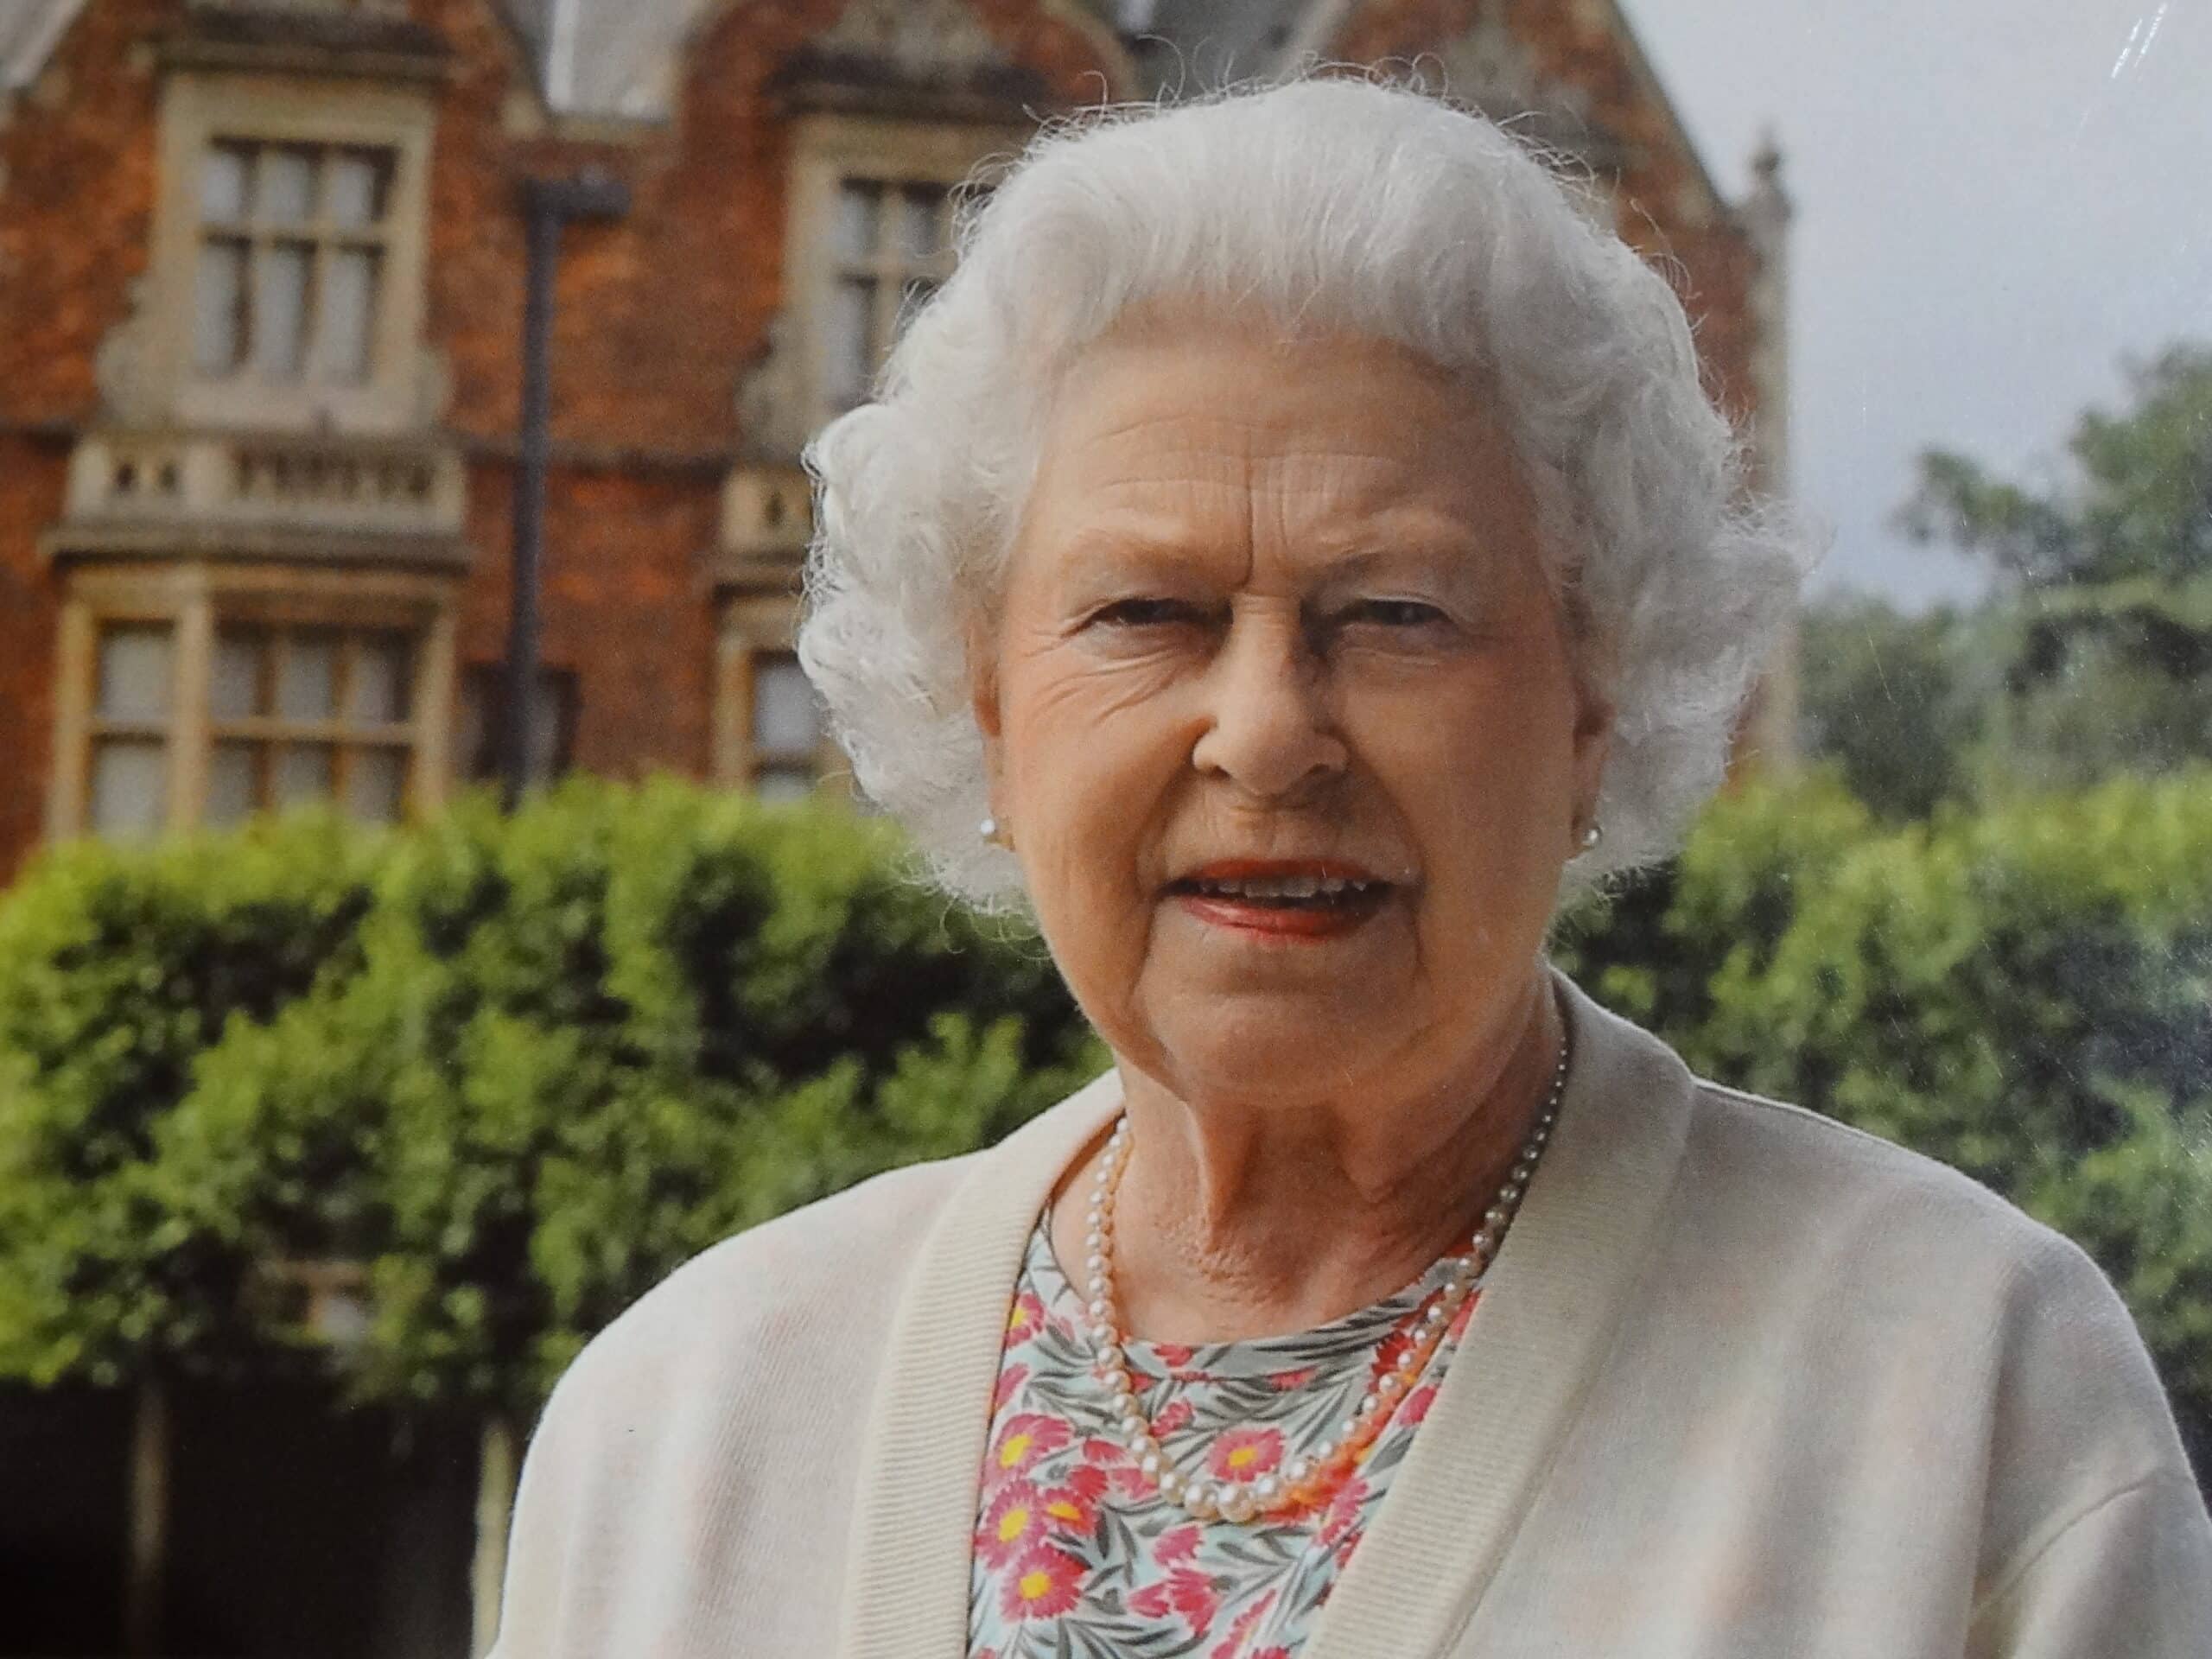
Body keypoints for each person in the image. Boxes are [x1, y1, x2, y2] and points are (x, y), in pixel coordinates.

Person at [487, 78, 2212, 1656]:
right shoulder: (688, 1418)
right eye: (1143, 615)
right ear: (989, 701)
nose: (1264, 734)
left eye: (1392, 614)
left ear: (1591, 692)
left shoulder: (1965, 1388)